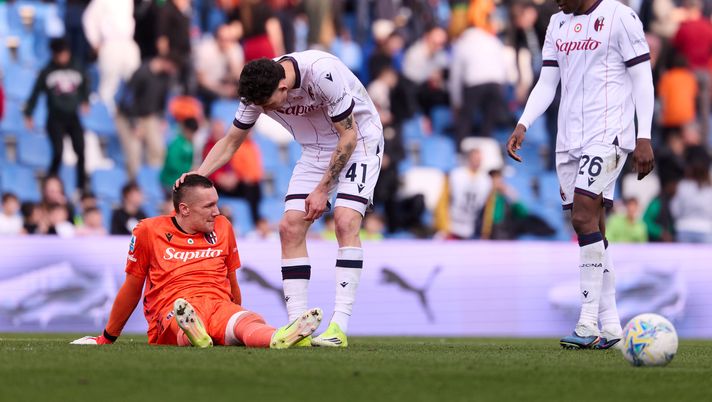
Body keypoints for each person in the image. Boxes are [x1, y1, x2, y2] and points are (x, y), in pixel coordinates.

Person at [177, 50, 384, 347]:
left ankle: (338, 326)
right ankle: (298, 328)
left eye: (268, 104)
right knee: (289, 227)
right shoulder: (256, 92)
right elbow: (231, 141)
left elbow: (348, 137)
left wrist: (323, 189)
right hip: (315, 150)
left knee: (345, 220)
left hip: (359, 142)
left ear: (284, 88)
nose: (264, 110)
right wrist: (197, 176)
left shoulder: (323, 74)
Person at [506, 0, 655, 350]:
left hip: (609, 134)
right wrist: (524, 122)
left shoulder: (621, 17)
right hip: (568, 138)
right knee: (591, 225)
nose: (556, 0)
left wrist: (643, 135)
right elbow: (547, 82)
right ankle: (613, 324)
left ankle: (587, 323)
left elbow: (641, 77)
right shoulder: (557, 23)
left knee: (584, 217)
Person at [71, 174, 322, 348]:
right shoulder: (148, 230)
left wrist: (235, 310)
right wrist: (107, 337)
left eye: (217, 204)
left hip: (217, 303)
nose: (217, 211)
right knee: (180, 321)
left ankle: (278, 337)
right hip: (172, 307)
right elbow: (132, 288)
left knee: (245, 322)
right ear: (184, 209)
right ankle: (193, 334)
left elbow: (232, 280)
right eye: (209, 206)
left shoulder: (222, 226)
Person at [24, 39, 90, 193]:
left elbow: (85, 84)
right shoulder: (47, 71)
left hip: (73, 117)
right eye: (60, 54)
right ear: (54, 55)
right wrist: (29, 114)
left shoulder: (77, 66)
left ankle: (81, 187)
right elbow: (35, 93)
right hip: (55, 118)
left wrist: (85, 99)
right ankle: (51, 184)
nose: (64, 57)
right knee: (58, 152)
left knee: (81, 150)